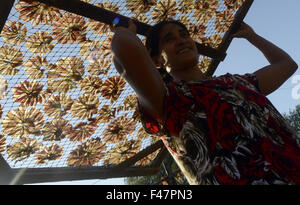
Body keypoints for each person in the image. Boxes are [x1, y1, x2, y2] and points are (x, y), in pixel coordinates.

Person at [110, 18, 300, 185]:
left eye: (184, 35)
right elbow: (123, 47)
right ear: (158, 60)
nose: (181, 40)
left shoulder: (237, 82)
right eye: (169, 39)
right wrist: (126, 31)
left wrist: (252, 36)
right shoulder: (166, 98)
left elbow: (287, 65)